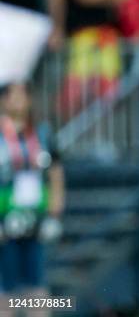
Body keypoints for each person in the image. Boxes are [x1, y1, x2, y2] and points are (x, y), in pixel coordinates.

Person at [0, 83, 65, 314]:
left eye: (23, 95)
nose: (18, 100)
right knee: (5, 284)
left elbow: (56, 172)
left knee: (36, 281)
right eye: (13, 95)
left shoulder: (42, 132)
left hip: (36, 215)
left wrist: (54, 213)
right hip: (5, 216)